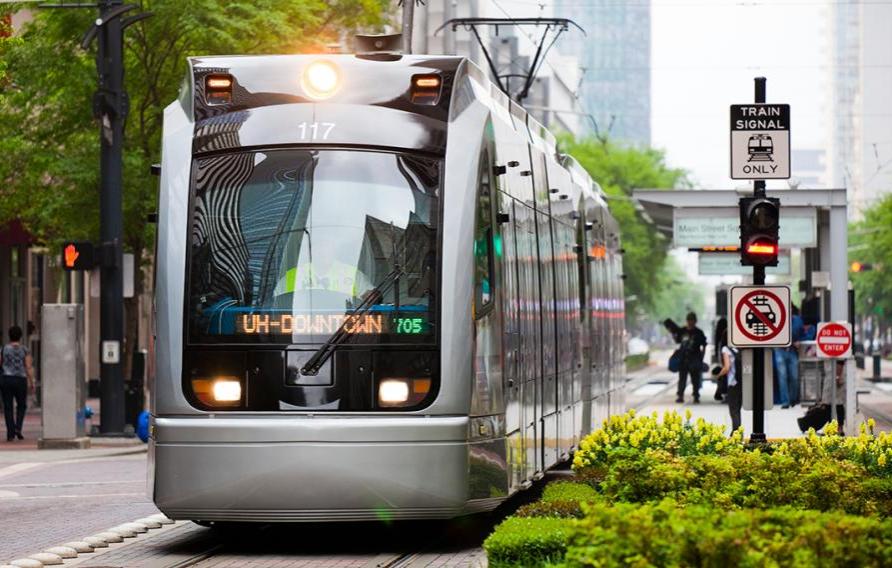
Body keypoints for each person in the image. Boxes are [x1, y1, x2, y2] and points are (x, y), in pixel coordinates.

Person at [0, 326, 34, 442]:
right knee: (21, 405)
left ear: (9, 336)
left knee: (8, 407)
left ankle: (10, 433)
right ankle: (18, 428)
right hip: (20, 379)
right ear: (20, 336)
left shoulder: (3, 349)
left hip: (7, 379)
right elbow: (28, 367)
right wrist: (31, 381)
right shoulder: (25, 350)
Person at [713, 317, 742, 434]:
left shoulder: (726, 349)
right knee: (738, 410)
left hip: (732, 383)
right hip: (741, 382)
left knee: (733, 411)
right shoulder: (738, 348)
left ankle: (736, 433)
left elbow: (727, 367)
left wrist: (718, 375)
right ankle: (738, 432)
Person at [773, 304, 803, 408]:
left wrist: (799, 341)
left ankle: (793, 399)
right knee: (782, 376)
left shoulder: (797, 321)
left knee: (794, 376)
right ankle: (785, 401)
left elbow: (802, 333)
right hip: (780, 350)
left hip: (792, 350)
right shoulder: (776, 320)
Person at [673, 312, 707, 404]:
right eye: (689, 320)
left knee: (695, 379)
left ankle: (696, 395)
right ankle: (680, 395)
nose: (690, 322)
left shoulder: (699, 332)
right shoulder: (682, 331)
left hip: (695, 358)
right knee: (682, 378)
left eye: (692, 320)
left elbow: (704, 345)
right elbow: (677, 341)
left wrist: (701, 358)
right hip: (684, 358)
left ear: (695, 321)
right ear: (687, 321)